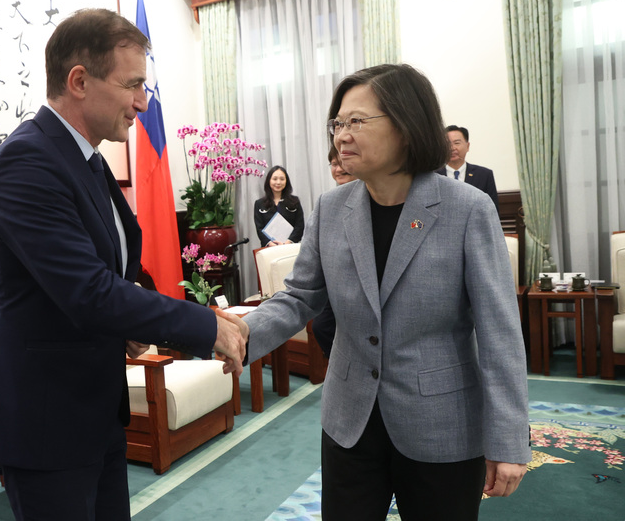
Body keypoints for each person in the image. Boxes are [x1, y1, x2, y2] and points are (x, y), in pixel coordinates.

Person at [224, 64, 530, 520]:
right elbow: (300, 297)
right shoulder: (332, 208)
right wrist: (239, 333)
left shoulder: (467, 210)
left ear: (407, 127)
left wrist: (508, 437)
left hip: (441, 425)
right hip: (350, 422)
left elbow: (499, 331)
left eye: (357, 122)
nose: (341, 136)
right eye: (338, 123)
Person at [0, 8, 245, 521]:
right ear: (80, 81)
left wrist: (128, 328)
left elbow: (110, 277)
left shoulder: (89, 160)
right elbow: (90, 292)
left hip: (95, 408)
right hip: (46, 422)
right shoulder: (27, 162)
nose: (143, 102)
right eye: (133, 85)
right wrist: (203, 324)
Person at [311, 146, 356, 358]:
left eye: (342, 162)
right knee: (321, 326)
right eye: (334, 164)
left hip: (361, 287)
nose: (339, 169)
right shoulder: (326, 203)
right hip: (333, 283)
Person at [436, 125, 500, 212]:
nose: (452, 148)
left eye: (457, 143)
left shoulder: (484, 175)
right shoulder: (433, 176)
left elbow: (493, 210)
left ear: (467, 146)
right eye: (447, 144)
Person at [253, 165, 305, 247]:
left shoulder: (295, 202)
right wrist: (270, 244)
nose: (278, 182)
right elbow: (259, 228)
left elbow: (299, 226)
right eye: (275, 179)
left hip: (290, 248)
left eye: (282, 179)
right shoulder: (259, 204)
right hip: (269, 249)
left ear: (286, 181)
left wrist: (287, 243)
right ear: (269, 181)